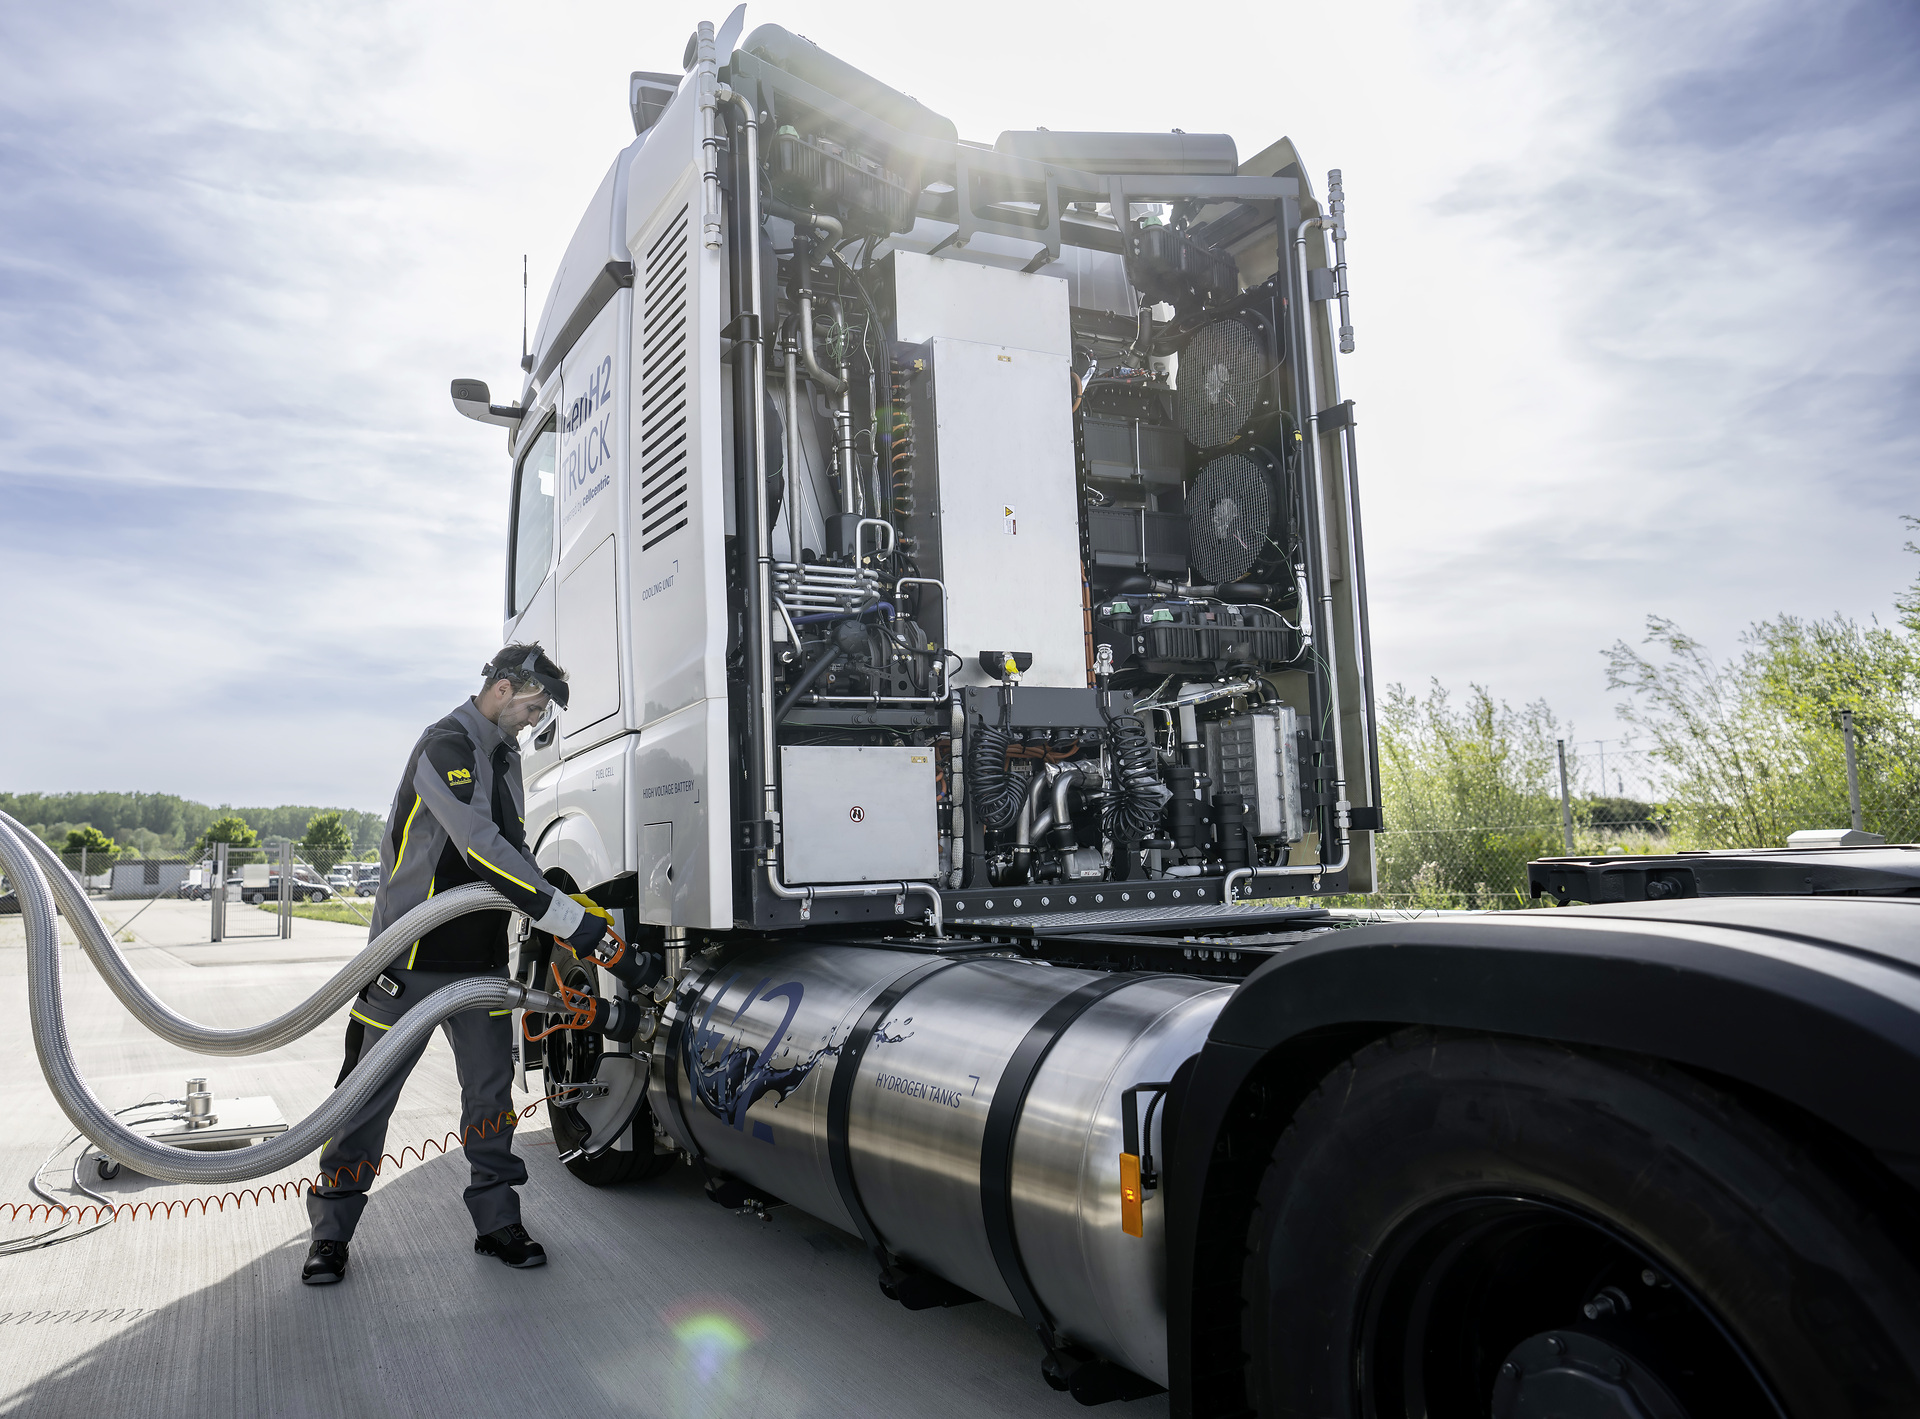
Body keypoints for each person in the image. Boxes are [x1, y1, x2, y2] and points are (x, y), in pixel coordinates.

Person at [301, 644, 610, 1285]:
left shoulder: (505, 756)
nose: (531, 719)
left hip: (480, 963)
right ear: (500, 689)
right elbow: (479, 846)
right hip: (407, 959)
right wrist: (564, 920)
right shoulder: (443, 747)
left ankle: (498, 1222)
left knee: (491, 1099)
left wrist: (559, 895)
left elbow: (516, 846)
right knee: (363, 1100)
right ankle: (331, 1235)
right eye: (529, 706)